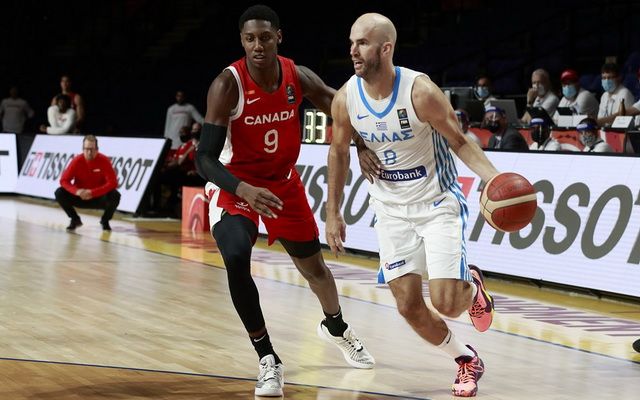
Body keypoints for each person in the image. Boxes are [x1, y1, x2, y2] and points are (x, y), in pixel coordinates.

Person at [195, 5, 374, 397]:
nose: (257, 45)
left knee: (315, 269)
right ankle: (268, 357)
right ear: (242, 41)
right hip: (237, 187)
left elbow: (336, 106)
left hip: (283, 185)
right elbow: (203, 159)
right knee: (236, 257)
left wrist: (361, 143)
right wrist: (242, 189)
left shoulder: (297, 75)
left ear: (278, 37)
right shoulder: (227, 85)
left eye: (264, 37)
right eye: (249, 39)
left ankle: (336, 327)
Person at [327, 13, 502, 397]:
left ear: (385, 48)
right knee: (407, 305)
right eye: (352, 42)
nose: (353, 50)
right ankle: (466, 359)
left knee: (447, 304)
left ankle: (472, 288)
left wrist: (493, 178)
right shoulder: (346, 98)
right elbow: (338, 151)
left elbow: (459, 141)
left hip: (437, 203)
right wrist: (332, 212)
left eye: (362, 43)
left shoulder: (420, 92)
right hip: (390, 209)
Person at [55, 135, 120, 231]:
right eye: (86, 149)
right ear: (83, 149)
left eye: (92, 149)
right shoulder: (77, 161)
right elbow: (64, 180)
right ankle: (75, 219)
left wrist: (92, 192)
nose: (89, 152)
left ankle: (105, 220)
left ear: (97, 149)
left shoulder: (104, 160)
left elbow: (113, 183)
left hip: (98, 198)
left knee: (115, 195)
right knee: (59, 192)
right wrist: (77, 191)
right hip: (80, 197)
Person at [596, 63, 634, 127]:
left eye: (610, 78)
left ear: (619, 78)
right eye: (604, 78)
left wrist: (596, 122)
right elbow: (600, 118)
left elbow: (619, 119)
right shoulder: (604, 96)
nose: (606, 81)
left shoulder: (624, 93)